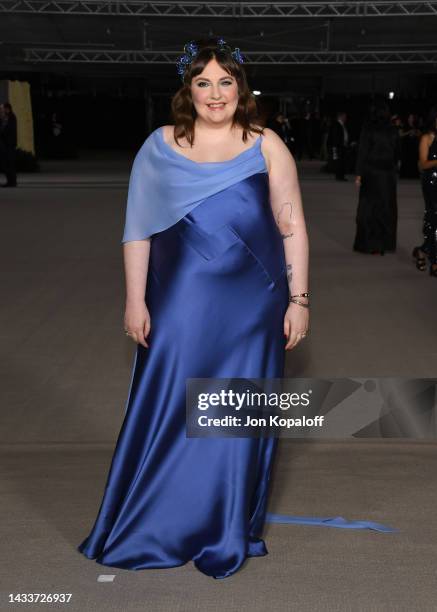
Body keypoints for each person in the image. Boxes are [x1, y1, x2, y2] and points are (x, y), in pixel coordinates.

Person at [77, 36, 310, 580]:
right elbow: (137, 232)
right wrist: (135, 300)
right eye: (202, 82)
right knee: (169, 406)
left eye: (224, 82)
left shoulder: (267, 144)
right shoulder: (159, 145)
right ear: (188, 90)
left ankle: (223, 526)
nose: (214, 93)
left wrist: (299, 300)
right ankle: (152, 521)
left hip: (255, 305)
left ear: (240, 88)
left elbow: (291, 224)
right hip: (180, 301)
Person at [353, 103, 401, 254]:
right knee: (386, 209)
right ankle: (385, 244)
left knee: (368, 209)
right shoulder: (394, 130)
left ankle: (369, 244)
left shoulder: (368, 129)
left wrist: (359, 174)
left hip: (371, 173)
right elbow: (398, 153)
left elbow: (362, 151)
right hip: (387, 174)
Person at [412, 105, 437, 277]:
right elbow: (423, 164)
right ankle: (435, 263)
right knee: (434, 217)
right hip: (431, 182)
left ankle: (422, 251)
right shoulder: (427, 138)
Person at [327, 110, 349, 181]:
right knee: (339, 161)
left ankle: (341, 175)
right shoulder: (337, 125)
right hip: (338, 146)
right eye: (345, 116)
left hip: (341, 146)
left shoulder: (341, 125)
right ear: (341, 117)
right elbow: (335, 137)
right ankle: (339, 176)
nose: (346, 118)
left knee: (341, 161)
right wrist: (336, 147)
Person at [0, 102, 17, 187]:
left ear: (7, 109)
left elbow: (8, 131)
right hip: (5, 145)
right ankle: (9, 181)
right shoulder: (4, 118)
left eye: (2, 108)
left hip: (10, 144)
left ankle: (12, 182)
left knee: (10, 163)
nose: (1, 110)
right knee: (6, 164)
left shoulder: (11, 117)